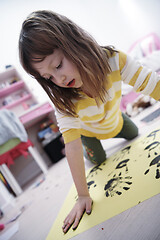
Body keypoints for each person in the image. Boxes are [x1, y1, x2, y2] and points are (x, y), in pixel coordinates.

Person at [19, 10, 160, 233]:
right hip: (89, 133)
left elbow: (152, 84)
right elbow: (71, 146)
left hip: (115, 121)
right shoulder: (64, 100)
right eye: (49, 78)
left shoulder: (114, 59)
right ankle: (90, 141)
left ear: (73, 41)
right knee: (99, 158)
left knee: (134, 134)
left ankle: (117, 122)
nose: (60, 80)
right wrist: (83, 195)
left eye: (58, 66)